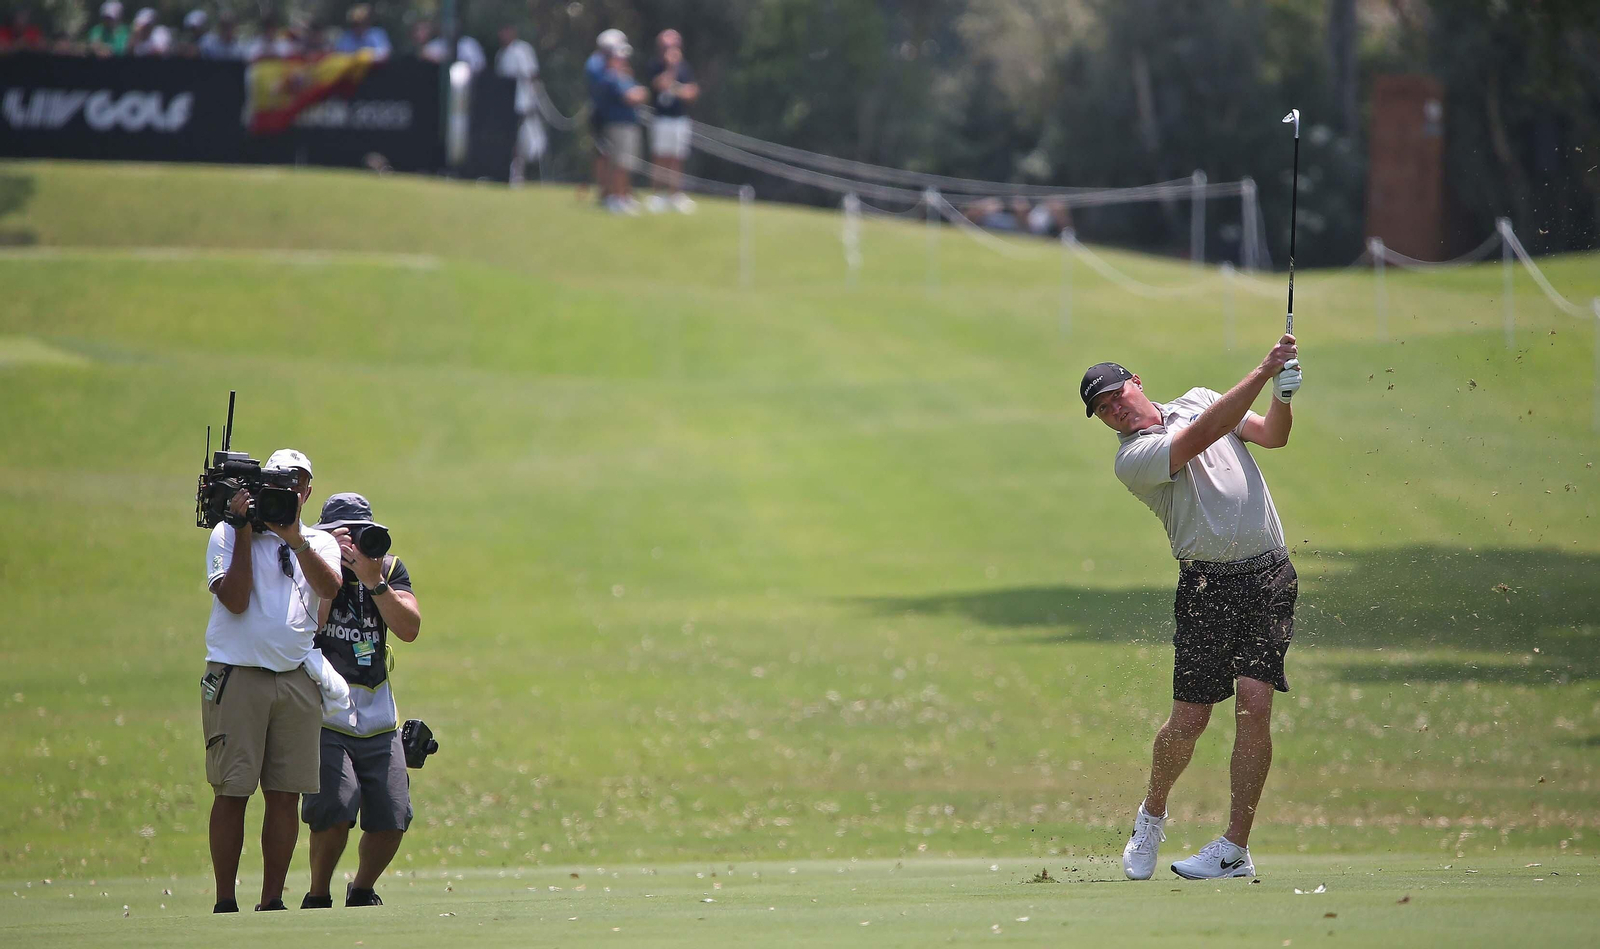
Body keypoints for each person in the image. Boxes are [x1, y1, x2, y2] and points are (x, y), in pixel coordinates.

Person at [1081, 335, 1303, 881]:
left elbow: (1272, 437)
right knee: (1190, 719)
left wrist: (1283, 395)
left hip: (1268, 572)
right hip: (1207, 588)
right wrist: (1264, 368)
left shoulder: (1203, 396)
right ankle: (1152, 814)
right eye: (1103, 409)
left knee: (1255, 702)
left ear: (1137, 382)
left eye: (1116, 395)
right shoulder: (1132, 460)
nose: (1115, 410)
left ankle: (1234, 847)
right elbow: (1204, 435)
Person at [202, 449, 343, 912]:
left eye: (299, 485)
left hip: (295, 676)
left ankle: (272, 902)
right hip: (238, 674)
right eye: (281, 485)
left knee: (284, 795)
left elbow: (329, 590)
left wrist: (295, 539)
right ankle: (226, 901)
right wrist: (246, 531)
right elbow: (237, 600)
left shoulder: (317, 542)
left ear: (308, 493)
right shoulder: (227, 533)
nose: (291, 493)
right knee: (234, 789)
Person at [300, 493, 422, 909]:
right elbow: (309, 625)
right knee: (334, 809)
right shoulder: (310, 568)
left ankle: (362, 888)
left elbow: (409, 628)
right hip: (325, 712)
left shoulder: (386, 568)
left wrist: (374, 581)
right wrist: (330, 573)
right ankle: (317, 894)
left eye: (361, 534)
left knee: (392, 816)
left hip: (378, 715)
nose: (353, 545)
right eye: (342, 536)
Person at [644, 29, 699, 214]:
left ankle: (675, 195)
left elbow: (692, 92)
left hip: (680, 119)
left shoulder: (685, 67)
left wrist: (677, 88)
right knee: (660, 157)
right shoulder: (655, 65)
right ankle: (657, 195)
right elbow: (659, 85)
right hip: (661, 119)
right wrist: (670, 68)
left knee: (677, 157)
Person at [595, 43, 647, 215]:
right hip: (618, 126)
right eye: (618, 58)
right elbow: (630, 97)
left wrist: (636, 94)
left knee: (627, 164)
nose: (622, 61)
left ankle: (623, 196)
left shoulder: (623, 77)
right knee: (619, 164)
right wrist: (635, 94)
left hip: (629, 125)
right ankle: (616, 198)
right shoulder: (611, 77)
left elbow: (642, 93)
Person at [494, 24, 544, 186]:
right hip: (507, 105)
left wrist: (533, 99)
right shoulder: (501, 54)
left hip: (523, 103)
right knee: (509, 138)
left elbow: (532, 75)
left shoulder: (523, 49)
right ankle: (509, 172)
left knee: (522, 140)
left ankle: (519, 173)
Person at [583, 29, 626, 205]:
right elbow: (605, 86)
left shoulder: (606, 62)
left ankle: (614, 191)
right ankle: (604, 192)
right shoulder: (596, 63)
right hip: (600, 115)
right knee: (603, 154)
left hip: (611, 116)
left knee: (611, 155)